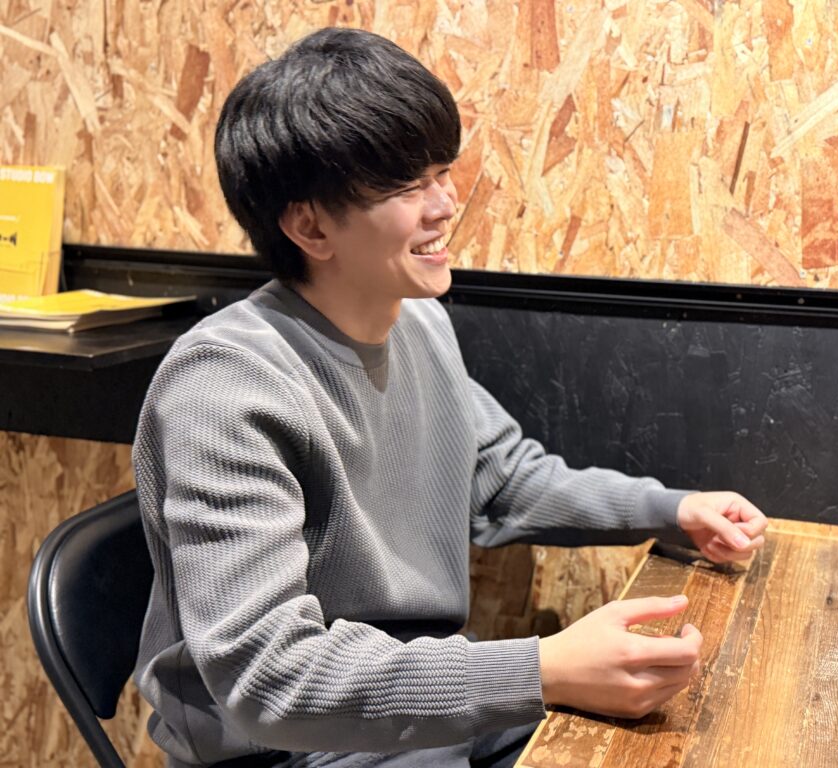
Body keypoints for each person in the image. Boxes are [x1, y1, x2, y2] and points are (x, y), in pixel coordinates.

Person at [131, 26, 769, 768]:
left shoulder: (416, 322)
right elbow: (270, 678)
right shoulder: (224, 384)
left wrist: (673, 509)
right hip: (292, 747)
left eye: (442, 172)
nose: (445, 204)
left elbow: (501, 477)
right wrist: (544, 668)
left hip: (423, 696)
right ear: (309, 225)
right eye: (408, 187)